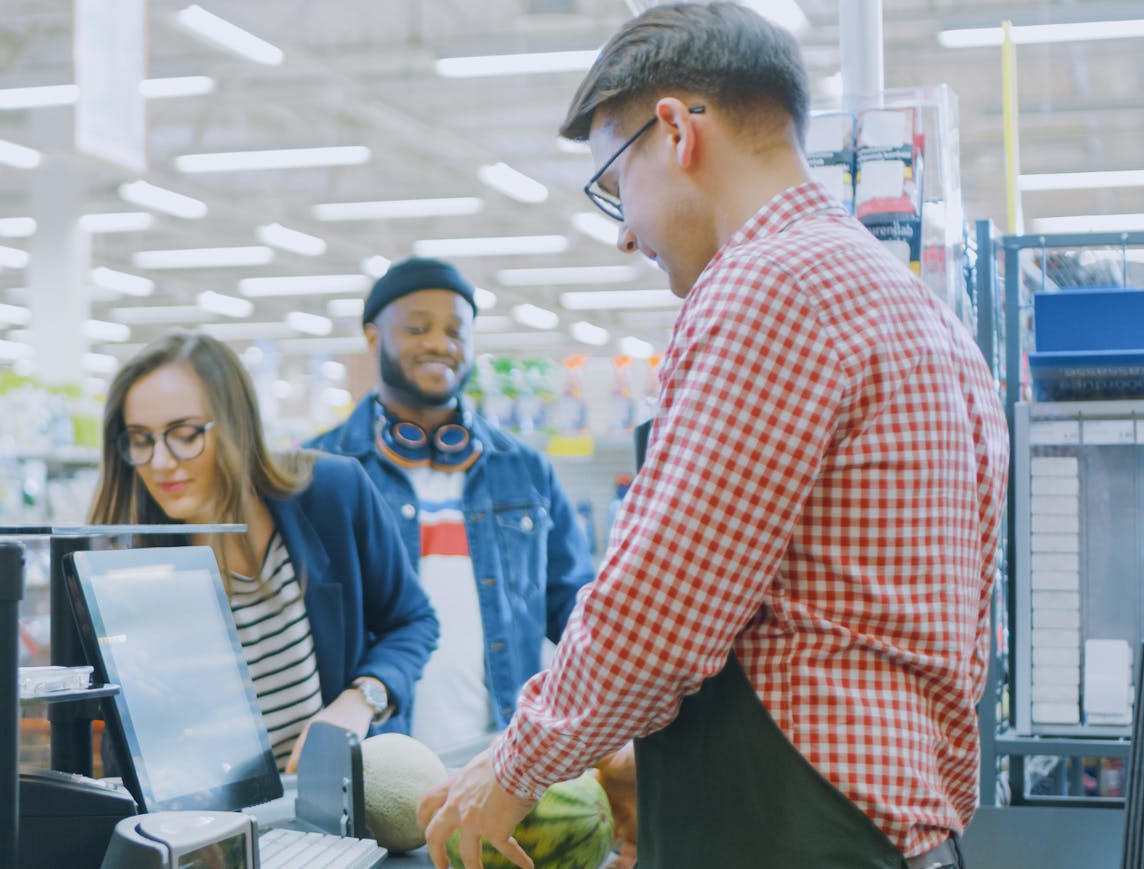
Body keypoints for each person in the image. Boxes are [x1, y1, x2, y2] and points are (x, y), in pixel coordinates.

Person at [416, 5, 1009, 869]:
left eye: (615, 189)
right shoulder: (915, 307)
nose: (624, 234)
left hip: (793, 838)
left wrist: (514, 768)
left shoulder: (766, 286)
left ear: (674, 131)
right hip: (898, 830)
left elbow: (658, 608)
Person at [88, 329, 440, 771]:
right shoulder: (132, 565)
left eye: (185, 434)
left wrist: (360, 700)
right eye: (141, 439)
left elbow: (412, 621)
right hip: (208, 825)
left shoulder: (332, 495)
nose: (160, 462)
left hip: (336, 810)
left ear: (236, 425)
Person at [306, 256, 596, 759]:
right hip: (376, 757)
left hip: (503, 757)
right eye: (418, 328)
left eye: (456, 331)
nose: (440, 343)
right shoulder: (322, 471)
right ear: (374, 340)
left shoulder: (524, 469)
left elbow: (573, 608)